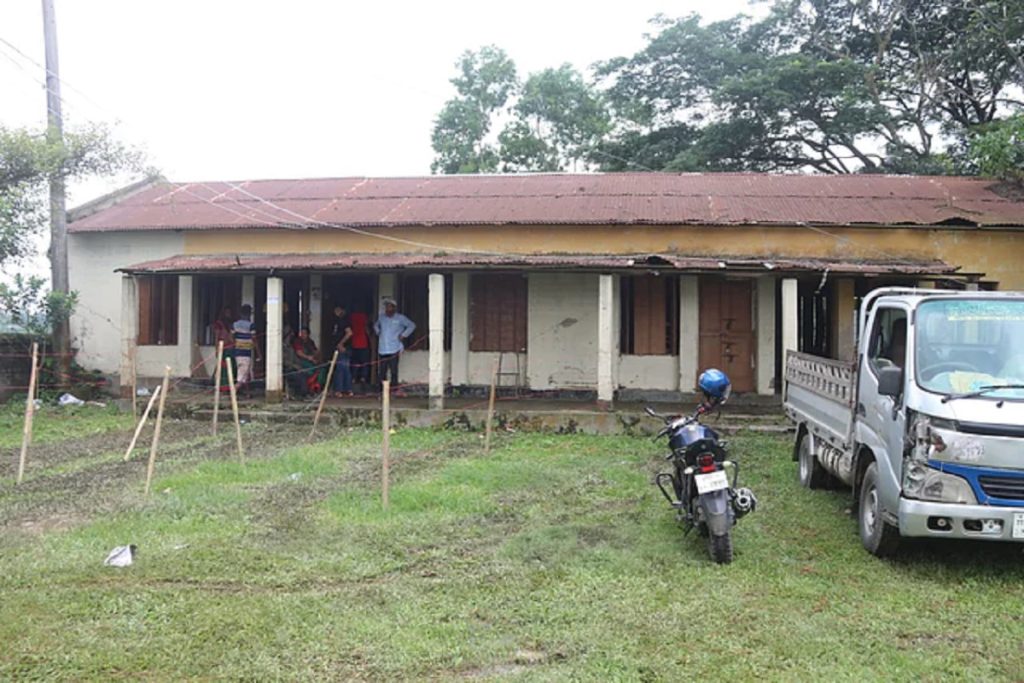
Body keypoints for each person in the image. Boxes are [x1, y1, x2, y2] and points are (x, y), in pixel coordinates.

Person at [373, 296, 416, 393]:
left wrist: (404, 335)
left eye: (389, 307)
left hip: (394, 348)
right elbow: (376, 325)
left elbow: (412, 325)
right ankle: (381, 390)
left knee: (393, 371)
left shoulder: (400, 318)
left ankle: (394, 389)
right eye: (386, 307)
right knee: (382, 371)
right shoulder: (381, 317)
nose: (387, 309)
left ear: (394, 308)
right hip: (383, 348)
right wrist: (378, 331)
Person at [232, 304, 260, 393]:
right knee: (242, 377)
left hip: (237, 352)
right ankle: (233, 391)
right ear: (249, 314)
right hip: (246, 353)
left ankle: (247, 393)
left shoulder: (235, 324)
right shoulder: (251, 325)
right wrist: (258, 353)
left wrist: (236, 344)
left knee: (244, 373)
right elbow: (254, 339)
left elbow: (231, 337)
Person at [328, 305, 354, 397]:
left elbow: (349, 333)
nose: (336, 312)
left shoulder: (344, 320)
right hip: (341, 347)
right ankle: (348, 390)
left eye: (338, 310)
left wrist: (341, 343)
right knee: (344, 368)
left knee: (341, 368)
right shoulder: (337, 321)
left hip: (344, 348)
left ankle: (339, 390)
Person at [292, 326, 325, 395]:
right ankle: (310, 388)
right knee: (311, 371)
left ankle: (317, 386)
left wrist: (316, 356)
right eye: (301, 333)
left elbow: (315, 351)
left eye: (304, 333)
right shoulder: (297, 341)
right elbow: (299, 352)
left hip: (311, 360)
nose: (303, 335)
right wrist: (308, 357)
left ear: (308, 334)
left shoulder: (310, 342)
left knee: (322, 369)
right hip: (300, 361)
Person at [211, 305, 235, 388]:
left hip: (230, 347)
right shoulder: (219, 324)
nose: (229, 314)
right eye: (227, 313)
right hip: (223, 347)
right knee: (222, 366)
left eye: (230, 313)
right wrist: (217, 349)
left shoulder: (231, 324)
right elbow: (217, 337)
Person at [348, 308, 371, 392]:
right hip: (363, 343)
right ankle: (363, 378)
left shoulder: (351, 316)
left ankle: (353, 378)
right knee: (364, 363)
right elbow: (366, 329)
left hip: (354, 343)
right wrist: (370, 338)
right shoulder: (364, 316)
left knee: (355, 362)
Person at [282, 324, 307, 398]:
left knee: (304, 373)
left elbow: (295, 359)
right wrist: (295, 366)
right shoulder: (281, 348)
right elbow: (284, 361)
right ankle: (301, 395)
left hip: (294, 368)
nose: (292, 335)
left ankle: (304, 394)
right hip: (287, 370)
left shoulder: (290, 347)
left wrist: (299, 366)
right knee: (300, 377)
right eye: (290, 334)